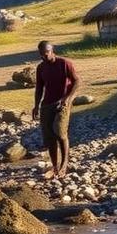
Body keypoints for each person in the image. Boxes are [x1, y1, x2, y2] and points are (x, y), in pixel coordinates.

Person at [32, 40, 80, 179]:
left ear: (52, 51)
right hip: (47, 104)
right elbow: (39, 88)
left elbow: (77, 81)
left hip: (62, 103)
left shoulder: (64, 63)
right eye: (41, 54)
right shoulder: (41, 68)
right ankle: (54, 166)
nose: (44, 56)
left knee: (59, 132)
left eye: (46, 53)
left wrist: (68, 98)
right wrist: (36, 105)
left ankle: (64, 165)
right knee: (49, 137)